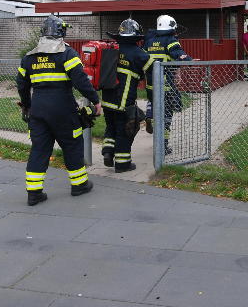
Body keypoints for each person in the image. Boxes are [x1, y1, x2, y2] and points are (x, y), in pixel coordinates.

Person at [17, 15, 102, 206]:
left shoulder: (29, 58)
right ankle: (79, 185)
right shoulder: (67, 54)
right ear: (61, 32)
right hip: (63, 109)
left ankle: (34, 193)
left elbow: (21, 85)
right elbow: (81, 81)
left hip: (38, 110)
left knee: (39, 150)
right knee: (72, 145)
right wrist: (96, 100)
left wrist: (27, 105)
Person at [101, 19, 154, 172]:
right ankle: (123, 164)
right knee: (124, 131)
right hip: (123, 103)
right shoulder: (138, 53)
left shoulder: (113, 49)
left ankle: (108, 153)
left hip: (107, 100)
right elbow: (154, 68)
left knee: (110, 127)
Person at [144, 14, 192, 155]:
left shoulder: (149, 41)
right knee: (167, 114)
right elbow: (178, 53)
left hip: (151, 84)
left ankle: (150, 114)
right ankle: (163, 146)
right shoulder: (171, 40)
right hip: (166, 85)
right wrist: (188, 59)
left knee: (153, 102)